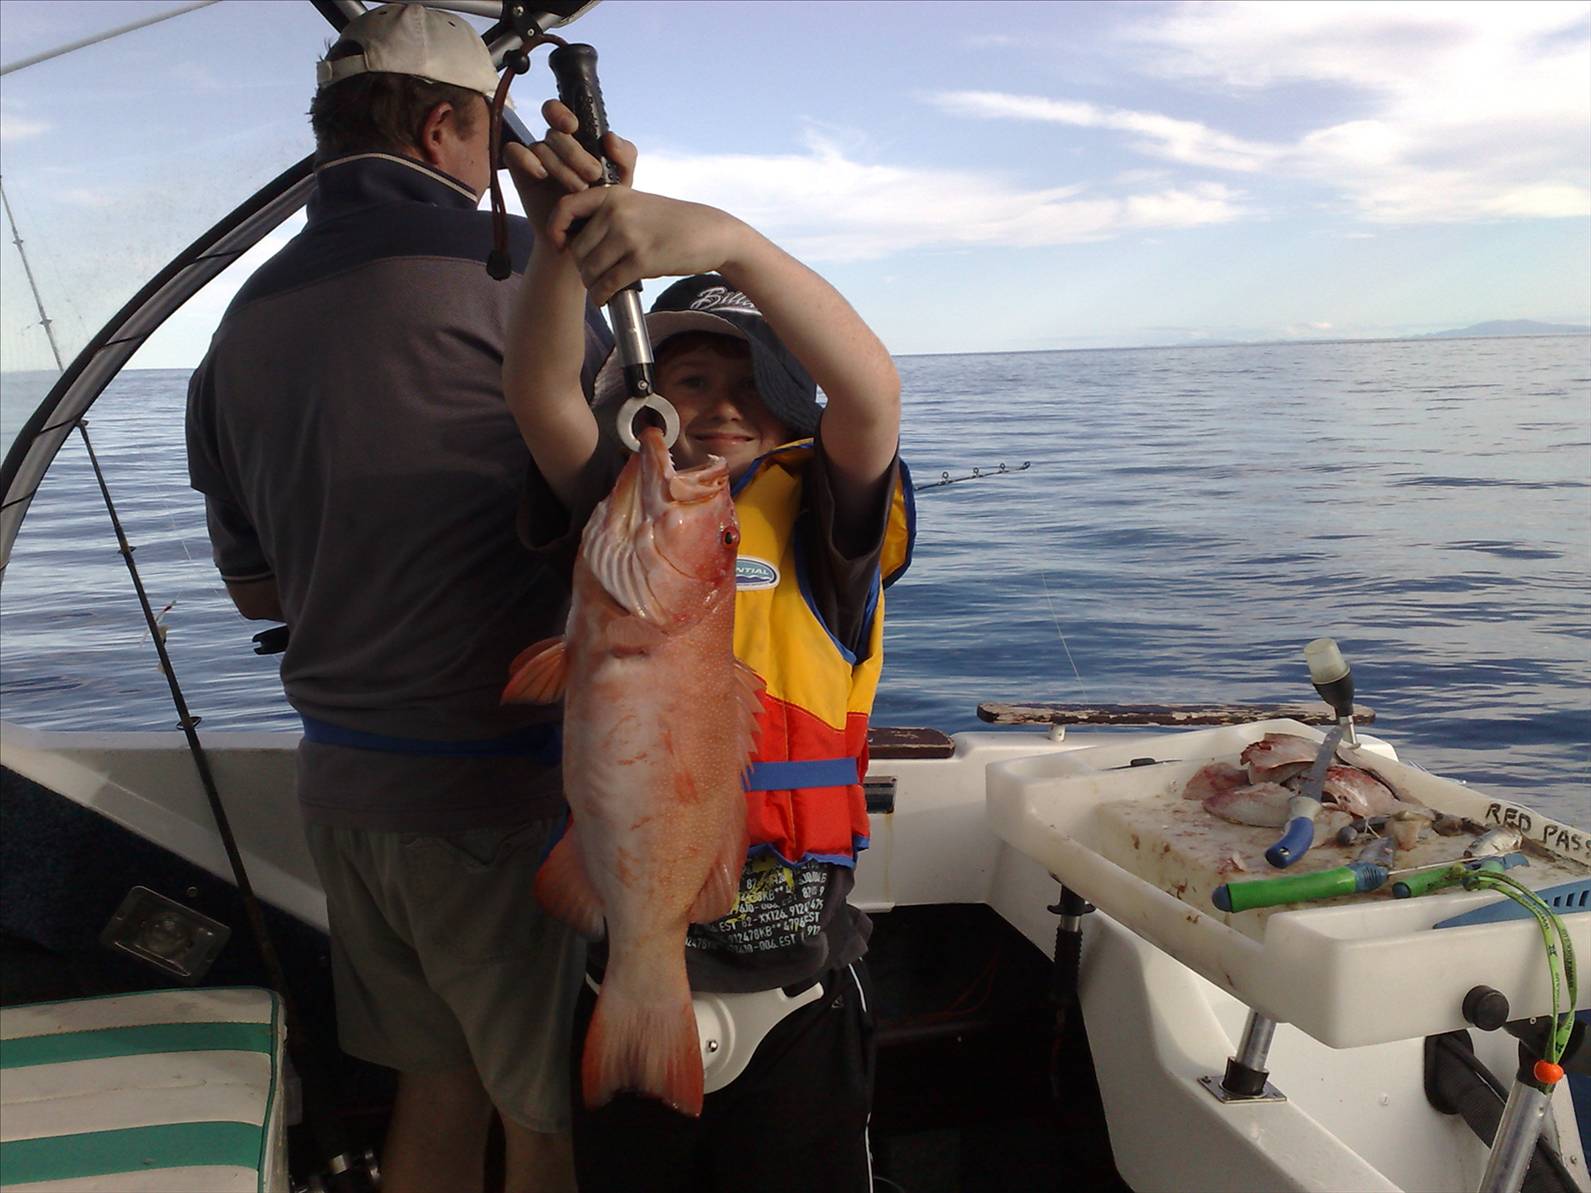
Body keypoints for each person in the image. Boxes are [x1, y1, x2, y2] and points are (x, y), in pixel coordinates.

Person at [184, 8, 610, 1191]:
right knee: (547, 1124)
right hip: (496, 798)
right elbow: (638, 497)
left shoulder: (235, 331)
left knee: (438, 1081)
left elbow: (253, 585)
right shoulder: (520, 275)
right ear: (443, 125)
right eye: (487, 142)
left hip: (345, 792)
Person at [501, 101, 913, 1193]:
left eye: (757, 385)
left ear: (791, 416)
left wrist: (729, 240)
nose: (724, 406)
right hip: (621, 961)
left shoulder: (828, 519)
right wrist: (555, 248)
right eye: (691, 380)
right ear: (646, 400)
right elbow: (539, 392)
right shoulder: (625, 505)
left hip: (796, 995)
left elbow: (871, 395)